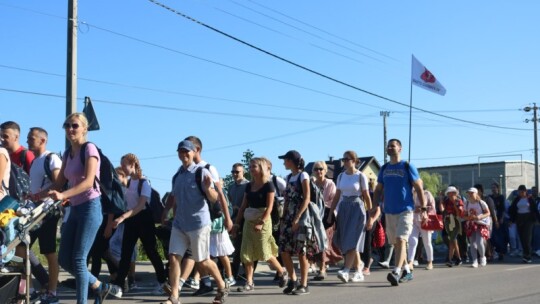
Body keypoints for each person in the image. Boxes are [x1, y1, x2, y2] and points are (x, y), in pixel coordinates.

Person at [48, 113, 122, 304]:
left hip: (90, 207)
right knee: (65, 259)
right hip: (75, 209)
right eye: (67, 125)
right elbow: (58, 183)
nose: (70, 129)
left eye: (74, 125)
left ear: (84, 129)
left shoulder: (89, 149)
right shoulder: (67, 153)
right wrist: (37, 195)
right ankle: (99, 287)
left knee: (79, 260)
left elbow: (89, 182)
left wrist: (64, 195)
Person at [160, 139, 229, 304]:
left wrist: (207, 189)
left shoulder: (202, 172)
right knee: (174, 257)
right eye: (180, 151)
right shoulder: (177, 175)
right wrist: (165, 212)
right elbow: (173, 197)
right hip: (179, 224)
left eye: (186, 151)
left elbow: (214, 198)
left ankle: (221, 285)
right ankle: (174, 297)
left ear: (193, 152)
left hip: (198, 224)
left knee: (202, 261)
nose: (183, 154)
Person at [111, 153, 167, 294]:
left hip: (144, 219)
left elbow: (140, 205)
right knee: (126, 253)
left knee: (151, 251)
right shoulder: (128, 182)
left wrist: (122, 217)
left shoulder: (144, 182)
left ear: (133, 165)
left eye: (124, 164)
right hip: (131, 220)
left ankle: (163, 281)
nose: (122, 167)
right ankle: (119, 285)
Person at [372, 139, 426, 286]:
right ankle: (407, 271)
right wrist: (375, 205)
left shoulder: (407, 166)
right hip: (389, 211)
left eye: (393, 146)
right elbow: (378, 189)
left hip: (406, 210)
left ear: (400, 148)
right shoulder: (384, 168)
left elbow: (419, 188)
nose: (389, 148)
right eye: (388, 146)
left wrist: (424, 208)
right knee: (396, 243)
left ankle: (396, 272)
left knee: (402, 240)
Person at [232, 157, 288, 292]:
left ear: (261, 168)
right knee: (246, 252)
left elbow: (269, 207)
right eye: (250, 167)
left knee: (264, 252)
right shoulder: (249, 186)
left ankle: (282, 271)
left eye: (254, 166)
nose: (251, 169)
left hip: (263, 219)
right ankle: (250, 282)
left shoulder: (269, 185)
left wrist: (261, 222)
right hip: (249, 220)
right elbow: (243, 206)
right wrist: (237, 224)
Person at [26, 127, 62, 304]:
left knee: (48, 252)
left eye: (31, 138)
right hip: (34, 213)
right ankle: (30, 290)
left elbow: (58, 184)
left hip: (48, 212)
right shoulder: (34, 162)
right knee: (22, 247)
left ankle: (53, 292)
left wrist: (40, 196)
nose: (27, 141)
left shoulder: (51, 158)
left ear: (42, 140)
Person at [278, 150, 322, 295]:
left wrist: (297, 218)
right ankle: (293, 279)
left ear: (291, 161)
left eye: (285, 160)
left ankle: (304, 284)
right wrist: (283, 216)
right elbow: (286, 199)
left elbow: (307, 198)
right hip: (288, 217)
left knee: (301, 251)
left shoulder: (303, 175)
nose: (284, 162)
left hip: (301, 217)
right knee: (284, 250)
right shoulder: (289, 176)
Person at [328, 151, 372, 283]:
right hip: (344, 208)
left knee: (353, 240)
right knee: (348, 241)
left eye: (347, 159)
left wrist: (370, 216)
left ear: (354, 160)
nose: (344, 161)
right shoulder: (341, 176)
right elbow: (337, 196)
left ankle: (346, 270)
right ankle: (359, 271)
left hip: (357, 208)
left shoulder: (360, 176)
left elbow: (367, 197)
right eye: (343, 159)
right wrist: (331, 214)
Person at [311, 161, 340, 280]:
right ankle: (320, 265)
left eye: (321, 169)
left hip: (327, 214)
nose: (319, 171)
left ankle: (322, 268)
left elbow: (333, 200)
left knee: (324, 241)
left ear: (325, 170)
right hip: (314, 215)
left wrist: (329, 215)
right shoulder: (312, 183)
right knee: (315, 242)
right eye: (316, 169)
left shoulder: (330, 183)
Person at [227, 162, 250, 282]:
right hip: (234, 219)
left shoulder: (248, 185)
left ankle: (241, 273)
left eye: (237, 172)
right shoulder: (231, 187)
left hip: (245, 219)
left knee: (243, 247)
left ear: (243, 172)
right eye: (233, 172)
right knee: (236, 247)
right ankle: (234, 273)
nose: (235, 174)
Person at [508, 185, 540, 263]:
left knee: (527, 238)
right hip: (519, 218)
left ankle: (528, 256)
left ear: (525, 191)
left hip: (528, 219)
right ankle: (525, 254)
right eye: (520, 192)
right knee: (521, 237)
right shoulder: (517, 199)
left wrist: (538, 219)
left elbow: (535, 210)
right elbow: (512, 210)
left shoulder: (530, 199)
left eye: (522, 191)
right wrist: (511, 220)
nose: (521, 193)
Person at [407, 188, 436, 271]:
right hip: (413, 220)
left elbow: (433, 207)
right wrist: (413, 209)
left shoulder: (427, 194)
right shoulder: (410, 193)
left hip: (424, 220)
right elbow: (406, 205)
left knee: (427, 242)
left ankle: (430, 262)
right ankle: (410, 262)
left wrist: (426, 212)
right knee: (412, 241)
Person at [464, 187, 491, 267]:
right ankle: (474, 260)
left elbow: (488, 213)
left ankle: (483, 257)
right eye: (469, 193)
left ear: (476, 194)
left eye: (472, 193)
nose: (470, 195)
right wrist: (468, 218)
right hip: (471, 224)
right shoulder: (467, 203)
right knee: (472, 243)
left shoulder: (481, 203)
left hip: (480, 223)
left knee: (479, 242)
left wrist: (480, 217)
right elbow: (464, 215)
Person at [440, 186, 465, 267]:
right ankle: (459, 258)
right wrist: (441, 200)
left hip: (456, 221)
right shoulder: (446, 201)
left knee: (452, 239)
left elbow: (459, 214)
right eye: (449, 193)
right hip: (448, 221)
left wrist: (455, 204)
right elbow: (442, 209)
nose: (450, 195)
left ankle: (450, 259)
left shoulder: (459, 201)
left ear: (455, 193)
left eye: (452, 193)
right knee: (454, 241)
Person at [489, 182, 509, 261]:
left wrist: (502, 218)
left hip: (500, 219)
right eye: (492, 187)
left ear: (498, 188)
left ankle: (501, 253)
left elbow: (503, 209)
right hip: (492, 220)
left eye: (495, 187)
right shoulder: (490, 197)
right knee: (493, 237)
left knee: (501, 237)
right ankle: (493, 252)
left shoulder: (501, 197)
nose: (493, 189)